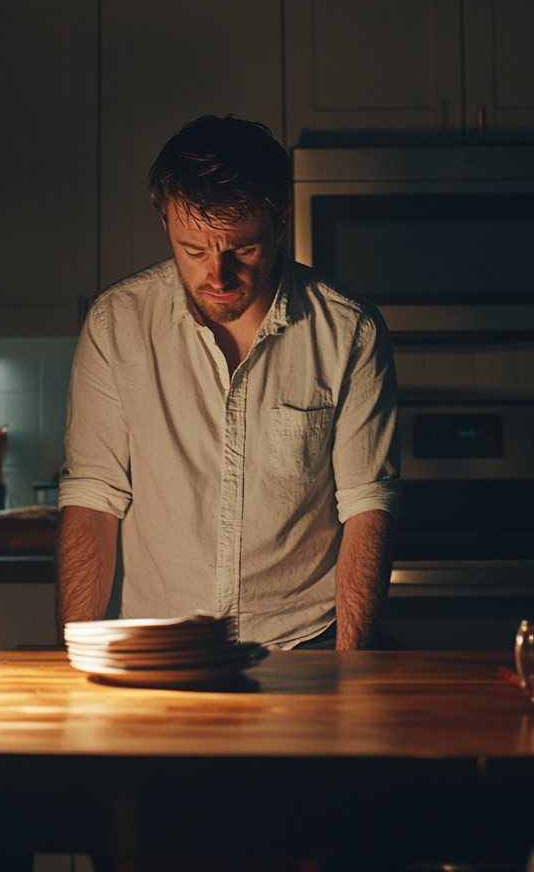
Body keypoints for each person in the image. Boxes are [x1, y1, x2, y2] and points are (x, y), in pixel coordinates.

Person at [56, 115, 400, 649]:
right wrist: (73, 657)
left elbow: (367, 506)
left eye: (242, 248)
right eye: (193, 251)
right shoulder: (115, 324)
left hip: (301, 643)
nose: (217, 276)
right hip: (154, 644)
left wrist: (350, 668)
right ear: (165, 221)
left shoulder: (348, 331)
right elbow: (93, 497)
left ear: (279, 221)